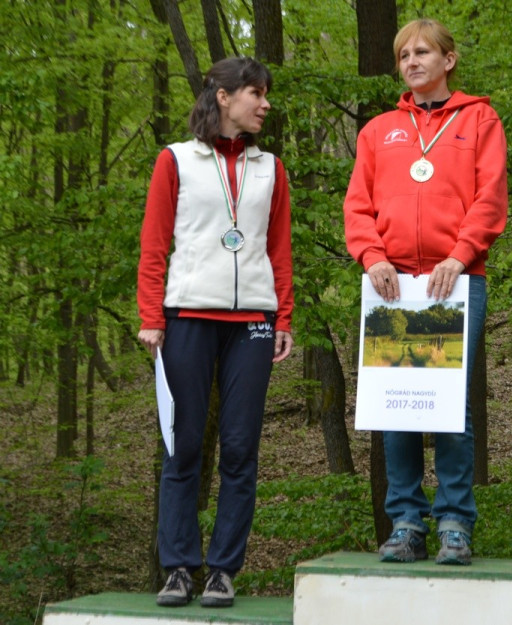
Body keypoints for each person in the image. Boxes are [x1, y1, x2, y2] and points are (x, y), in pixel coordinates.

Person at [343, 18, 508, 565]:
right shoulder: (378, 130)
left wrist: (460, 255)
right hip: (392, 284)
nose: (411, 61)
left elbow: (490, 196)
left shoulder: (479, 119)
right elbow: (358, 205)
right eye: (403, 55)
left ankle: (455, 522)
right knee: (397, 402)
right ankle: (407, 521)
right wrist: (372, 256)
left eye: (422, 52)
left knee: (448, 403)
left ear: (448, 60)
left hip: (456, 280)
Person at [137, 57, 293, 608]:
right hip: (187, 317)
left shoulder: (271, 168)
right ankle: (178, 567)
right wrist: (151, 317)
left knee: (241, 448)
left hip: (252, 320)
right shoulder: (175, 160)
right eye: (256, 92)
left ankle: (223, 570)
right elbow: (155, 244)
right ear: (224, 97)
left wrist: (284, 317)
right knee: (183, 446)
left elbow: (278, 249)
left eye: (267, 93)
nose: (265, 103)